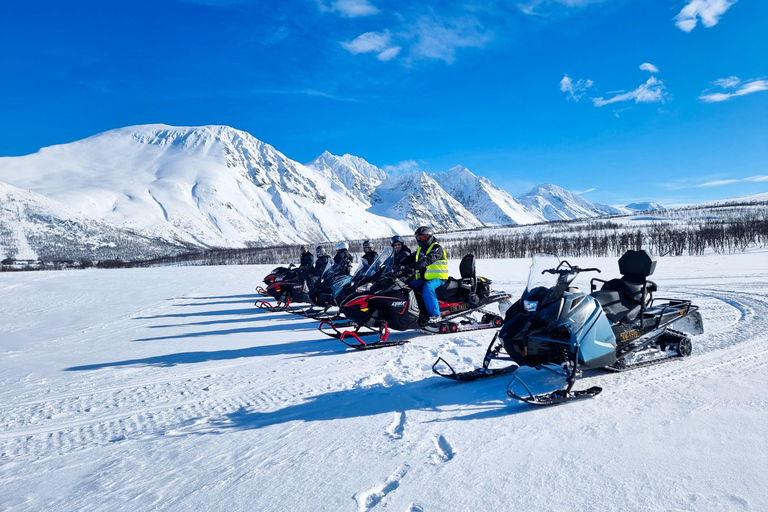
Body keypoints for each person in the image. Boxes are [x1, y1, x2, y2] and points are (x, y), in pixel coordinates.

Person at [408, 226, 448, 324]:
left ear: (430, 236)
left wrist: (415, 266)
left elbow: (429, 259)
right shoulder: (420, 250)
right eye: (420, 238)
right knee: (408, 286)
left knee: (428, 287)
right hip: (424, 279)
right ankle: (416, 311)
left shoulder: (436, 248)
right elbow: (409, 259)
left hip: (439, 278)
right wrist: (397, 265)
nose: (422, 239)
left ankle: (435, 315)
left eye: (424, 237)